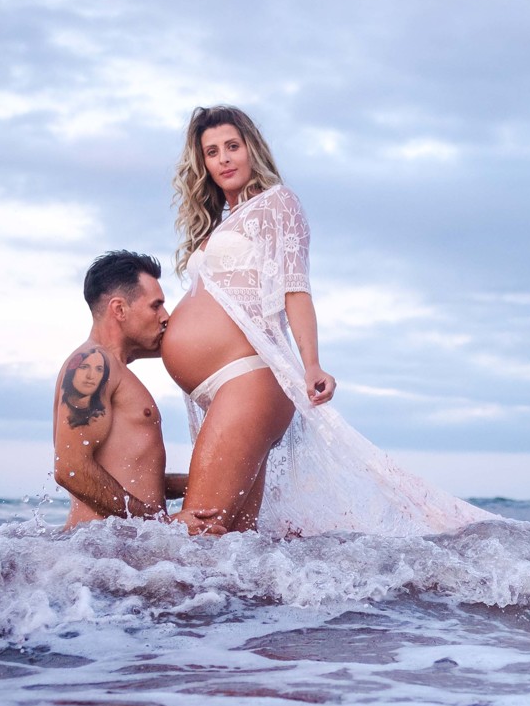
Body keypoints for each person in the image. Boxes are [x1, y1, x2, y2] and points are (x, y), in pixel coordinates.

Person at [160, 105, 496, 536]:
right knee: (231, 543)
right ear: (202, 164)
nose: (223, 158)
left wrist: (312, 363)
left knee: (195, 529)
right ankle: (240, 607)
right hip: (225, 389)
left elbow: (295, 288)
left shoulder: (276, 204)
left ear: (252, 150)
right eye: (211, 152)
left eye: (232, 146)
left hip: (249, 378)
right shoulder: (222, 224)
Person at [52, 250, 191, 527]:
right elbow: (70, 469)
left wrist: (199, 483)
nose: (165, 317)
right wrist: (162, 524)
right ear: (119, 309)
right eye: (156, 306)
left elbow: (132, 478)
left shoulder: (113, 368)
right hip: (95, 552)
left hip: (114, 552)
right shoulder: (93, 364)